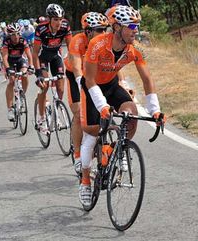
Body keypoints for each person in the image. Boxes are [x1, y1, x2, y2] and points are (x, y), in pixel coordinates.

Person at [78, 5, 166, 209]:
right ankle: (84, 180)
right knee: (91, 133)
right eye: (131, 26)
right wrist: (102, 106)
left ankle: (118, 149)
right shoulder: (97, 44)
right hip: (91, 87)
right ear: (117, 27)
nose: (136, 30)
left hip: (111, 85)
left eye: (137, 26)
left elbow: (147, 79)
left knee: (132, 115)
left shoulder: (134, 49)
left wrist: (154, 110)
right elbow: (89, 80)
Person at [64, 12, 109, 176]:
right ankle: (77, 156)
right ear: (88, 31)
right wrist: (79, 82)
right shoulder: (78, 41)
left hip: (93, 75)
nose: (103, 33)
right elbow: (76, 66)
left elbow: (113, 66)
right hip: (75, 75)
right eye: (99, 30)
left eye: (105, 29)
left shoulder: (104, 42)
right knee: (77, 113)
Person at [33, 3, 72, 133]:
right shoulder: (41, 29)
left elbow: (71, 48)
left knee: (61, 87)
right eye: (56, 19)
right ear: (49, 19)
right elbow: (34, 53)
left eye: (60, 19)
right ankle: (42, 117)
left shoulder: (65, 26)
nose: (59, 22)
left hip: (56, 56)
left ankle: (56, 107)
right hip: (42, 57)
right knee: (44, 86)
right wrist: (38, 73)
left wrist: (74, 66)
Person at [1, 22, 34, 121]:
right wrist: (7, 69)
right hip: (10, 61)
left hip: (20, 59)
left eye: (17, 33)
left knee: (24, 75)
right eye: (13, 34)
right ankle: (10, 109)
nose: (16, 36)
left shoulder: (22, 41)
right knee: (11, 81)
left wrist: (31, 65)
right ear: (9, 35)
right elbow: (5, 57)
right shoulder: (6, 42)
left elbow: (29, 55)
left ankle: (22, 95)